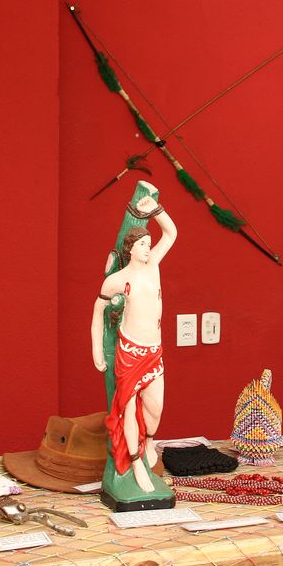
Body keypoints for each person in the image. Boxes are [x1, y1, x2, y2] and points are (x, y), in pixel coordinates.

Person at [91, 195, 177, 493]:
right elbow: (98, 312)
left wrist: (154, 210)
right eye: (143, 244)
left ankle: (149, 442)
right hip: (130, 352)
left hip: (154, 351)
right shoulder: (117, 279)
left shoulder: (153, 266)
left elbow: (171, 233)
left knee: (156, 407)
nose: (148, 247)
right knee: (128, 408)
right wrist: (96, 348)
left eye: (149, 243)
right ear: (130, 249)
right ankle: (135, 460)